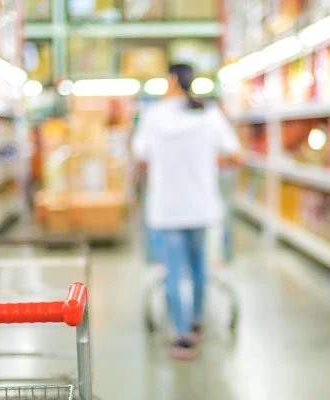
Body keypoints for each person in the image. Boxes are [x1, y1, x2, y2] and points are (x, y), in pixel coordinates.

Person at [133, 64, 241, 359]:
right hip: (202, 205)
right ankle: (197, 321)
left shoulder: (153, 116)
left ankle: (181, 335)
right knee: (199, 268)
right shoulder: (209, 114)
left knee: (172, 269)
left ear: (170, 80)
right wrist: (206, 165)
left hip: (166, 208)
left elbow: (140, 156)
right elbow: (234, 153)